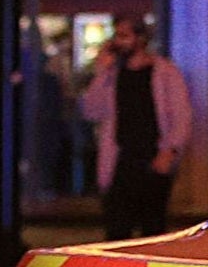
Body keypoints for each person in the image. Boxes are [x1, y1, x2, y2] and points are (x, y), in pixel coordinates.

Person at [82, 14, 191, 241]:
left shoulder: (165, 73)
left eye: (125, 36)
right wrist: (101, 73)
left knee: (152, 228)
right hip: (121, 159)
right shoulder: (113, 75)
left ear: (140, 39)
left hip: (153, 157)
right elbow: (91, 111)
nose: (119, 42)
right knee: (117, 229)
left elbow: (181, 115)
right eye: (117, 36)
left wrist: (169, 152)